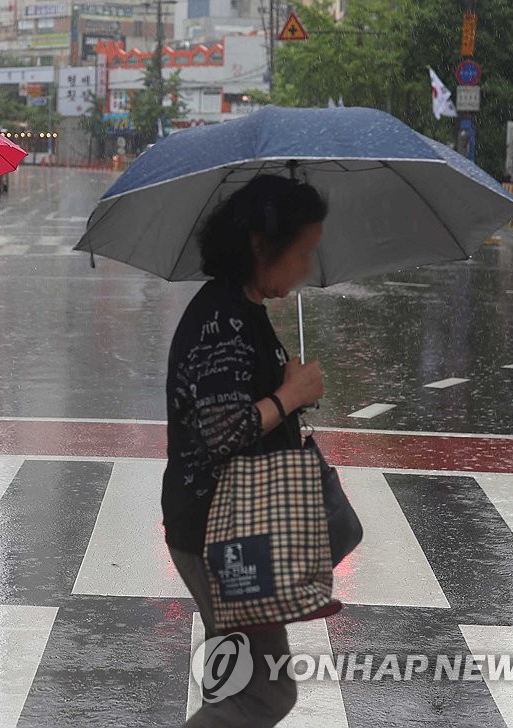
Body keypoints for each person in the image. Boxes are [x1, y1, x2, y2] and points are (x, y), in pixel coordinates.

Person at [162, 175, 328, 727]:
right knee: (260, 695)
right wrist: (291, 394)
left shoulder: (241, 310)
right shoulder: (223, 321)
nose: (306, 266)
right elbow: (224, 431)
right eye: (302, 250)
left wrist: (282, 390)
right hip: (220, 529)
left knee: (245, 686)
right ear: (261, 245)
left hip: (227, 525)